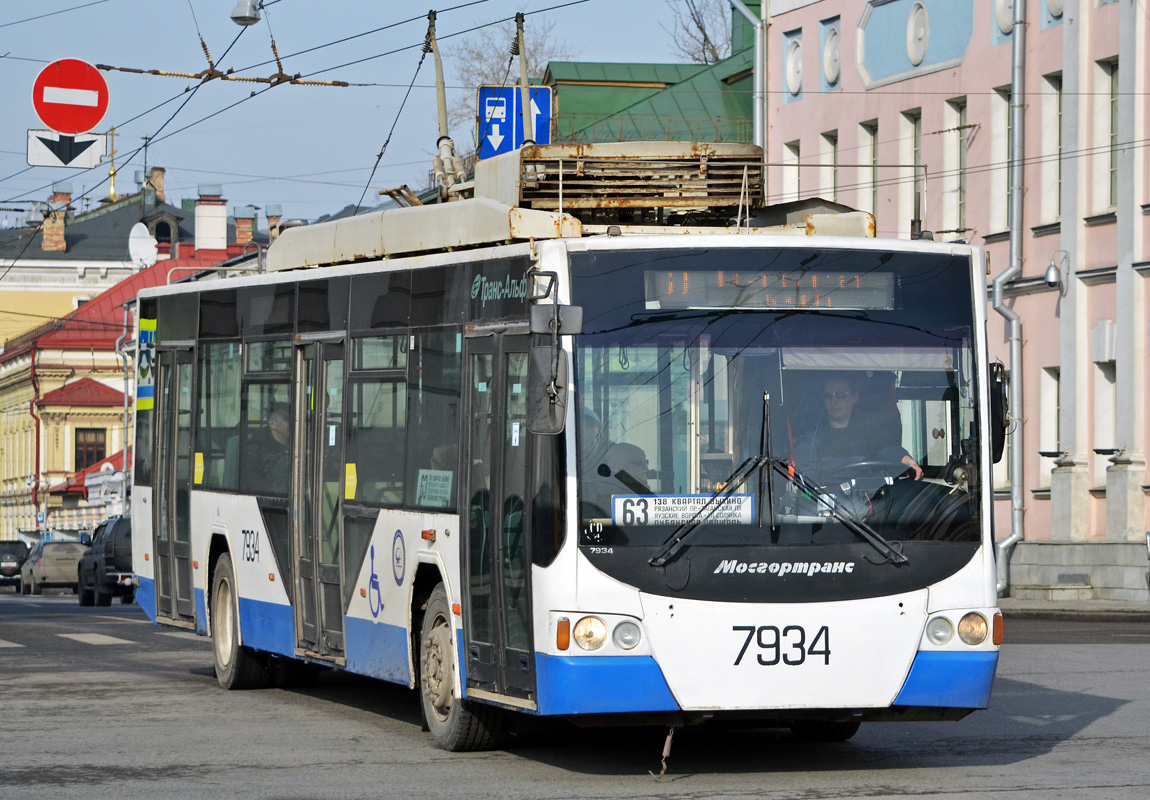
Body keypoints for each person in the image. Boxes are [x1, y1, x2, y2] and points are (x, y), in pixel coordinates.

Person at [795, 376, 922, 485]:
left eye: (840, 395)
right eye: (828, 396)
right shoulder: (812, 434)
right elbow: (807, 471)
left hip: (869, 499)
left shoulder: (867, 428)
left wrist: (910, 463)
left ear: (854, 397)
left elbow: (887, 448)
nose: (834, 401)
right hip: (830, 503)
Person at [245, 402, 290, 494]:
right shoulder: (254, 448)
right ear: (272, 423)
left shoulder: (300, 444)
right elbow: (255, 485)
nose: (294, 423)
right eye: (288, 420)